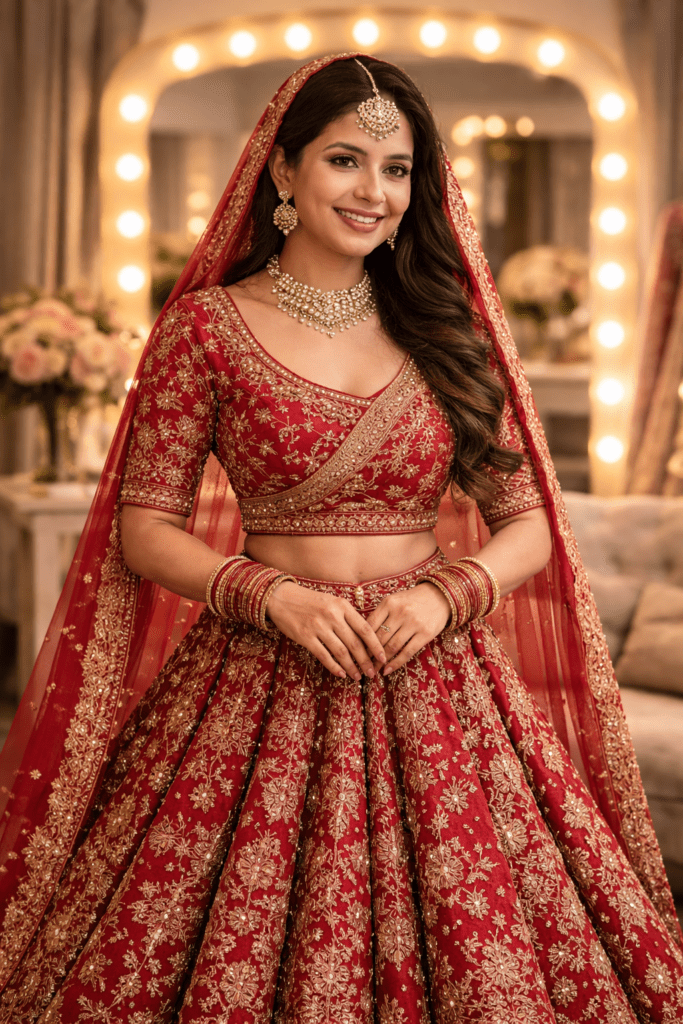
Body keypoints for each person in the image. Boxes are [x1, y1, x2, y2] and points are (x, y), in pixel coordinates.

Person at [0, 54, 680, 1024]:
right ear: (283, 171)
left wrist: (444, 594)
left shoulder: (446, 329)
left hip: (434, 671)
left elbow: (529, 523)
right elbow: (145, 529)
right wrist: (267, 592)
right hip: (255, 674)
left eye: (396, 169)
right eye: (345, 161)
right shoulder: (204, 329)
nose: (373, 192)